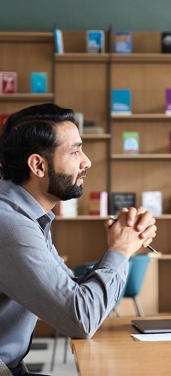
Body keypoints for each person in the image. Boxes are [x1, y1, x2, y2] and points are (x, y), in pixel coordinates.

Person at [0, 104, 157, 375]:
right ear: (38, 165)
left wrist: (120, 244)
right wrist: (120, 250)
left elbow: (70, 290)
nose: (86, 161)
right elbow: (81, 318)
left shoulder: (27, 214)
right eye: (74, 152)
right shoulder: (11, 225)